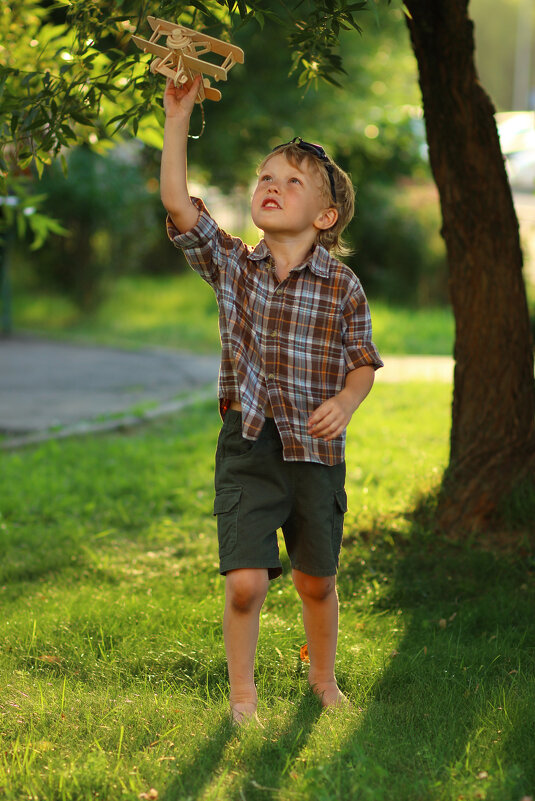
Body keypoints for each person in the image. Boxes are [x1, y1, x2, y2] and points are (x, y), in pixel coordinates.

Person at [160, 75, 383, 725]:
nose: (270, 185)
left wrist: (346, 400)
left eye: (289, 181)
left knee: (315, 579)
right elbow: (178, 203)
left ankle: (322, 680)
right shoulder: (232, 264)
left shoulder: (342, 284)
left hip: (316, 451)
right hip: (248, 445)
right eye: (264, 177)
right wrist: (178, 116)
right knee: (246, 581)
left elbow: (362, 362)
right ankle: (242, 698)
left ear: (324, 216)